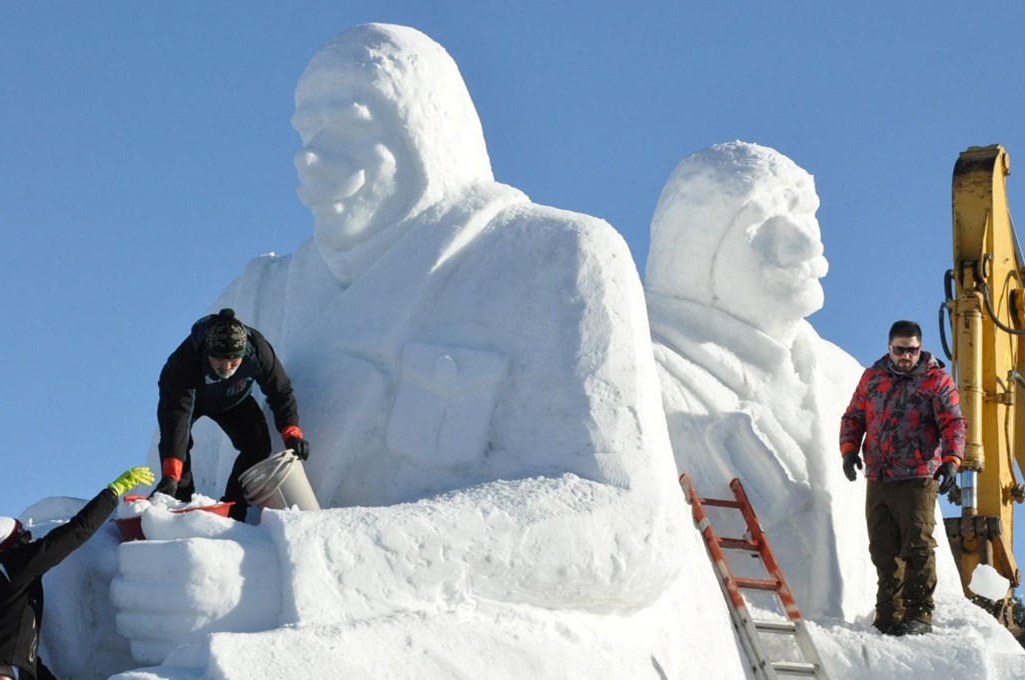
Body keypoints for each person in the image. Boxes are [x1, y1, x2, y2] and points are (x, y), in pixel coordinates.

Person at [109, 23, 723, 674]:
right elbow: (160, 478)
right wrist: (71, 545)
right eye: (305, 135)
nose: (311, 160)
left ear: (420, 133)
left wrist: (303, 569)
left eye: (346, 131)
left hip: (461, 641)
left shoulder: (552, 259)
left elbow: (629, 527)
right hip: (201, 619)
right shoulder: (256, 296)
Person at [644, 140, 873, 620]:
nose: (807, 245)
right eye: (766, 225)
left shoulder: (850, 380)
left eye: (806, 215)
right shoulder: (640, 368)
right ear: (695, 251)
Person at [0, 467, 154, 680]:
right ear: (14, 543)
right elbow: (75, 531)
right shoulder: (17, 565)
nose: (31, 540)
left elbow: (14, 645)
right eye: (26, 536)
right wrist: (112, 493)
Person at [839, 319, 966, 636]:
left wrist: (952, 460)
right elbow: (854, 415)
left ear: (919, 348)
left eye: (911, 350)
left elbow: (953, 422)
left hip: (918, 475)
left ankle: (918, 613)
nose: (906, 356)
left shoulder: (935, 380)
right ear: (889, 348)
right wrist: (849, 450)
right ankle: (888, 614)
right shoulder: (873, 378)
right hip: (880, 475)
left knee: (917, 545)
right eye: (900, 350)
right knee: (883, 548)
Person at [153, 308, 308, 522]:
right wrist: (171, 476)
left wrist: (292, 432)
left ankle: (234, 510)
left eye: (234, 362)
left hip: (232, 400)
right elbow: (176, 422)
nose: (227, 367)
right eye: (220, 361)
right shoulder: (184, 362)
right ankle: (181, 503)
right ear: (207, 352)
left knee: (258, 444)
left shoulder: (257, 351)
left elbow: (280, 391)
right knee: (179, 443)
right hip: (189, 401)